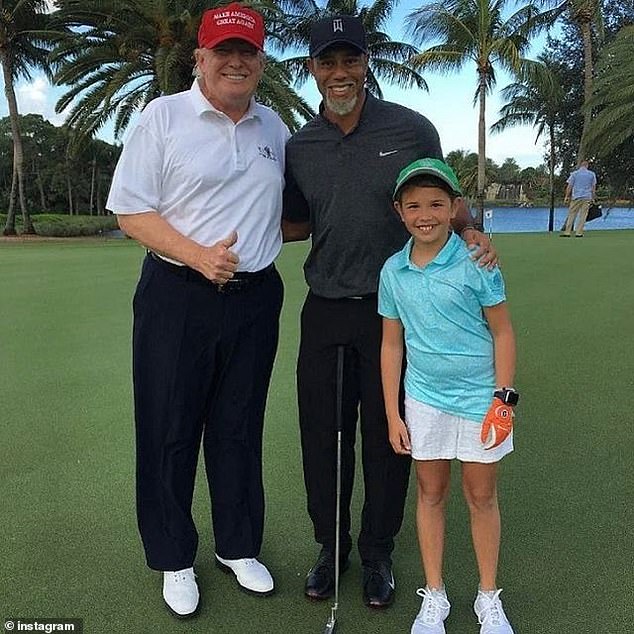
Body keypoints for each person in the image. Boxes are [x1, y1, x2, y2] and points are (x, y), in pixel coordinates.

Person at [282, 15, 497, 609]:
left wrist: (473, 232)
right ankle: (331, 548)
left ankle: (377, 551)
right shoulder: (301, 145)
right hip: (325, 308)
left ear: (366, 64)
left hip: (397, 315)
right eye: (328, 62)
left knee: (386, 438)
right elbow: (294, 221)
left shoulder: (410, 128)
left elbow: (442, 197)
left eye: (350, 60)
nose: (339, 73)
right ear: (313, 70)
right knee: (322, 436)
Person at [106, 3, 289, 618]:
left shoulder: (274, 130)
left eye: (247, 52)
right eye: (223, 51)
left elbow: (290, 213)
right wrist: (198, 255)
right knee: (168, 427)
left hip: (256, 299)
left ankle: (238, 547)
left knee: (239, 427)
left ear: (260, 62)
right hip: (177, 295)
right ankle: (174, 557)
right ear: (200, 58)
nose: (235, 61)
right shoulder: (162, 117)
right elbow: (131, 210)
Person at [379, 158, 517, 634]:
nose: (426, 214)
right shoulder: (393, 272)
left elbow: (502, 333)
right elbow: (391, 343)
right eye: (414, 204)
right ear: (399, 211)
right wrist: (392, 413)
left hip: (481, 399)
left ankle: (487, 598)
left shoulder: (477, 260)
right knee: (430, 493)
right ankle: (434, 596)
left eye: (437, 203)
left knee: (481, 496)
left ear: (455, 207)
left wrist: (504, 399)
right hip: (424, 400)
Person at [561, 159, 597, 237]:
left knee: (572, 214)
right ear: (587, 165)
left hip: (576, 196)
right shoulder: (592, 174)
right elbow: (593, 187)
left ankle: (567, 232)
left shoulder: (574, 174)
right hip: (587, 197)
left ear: (580, 165)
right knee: (583, 215)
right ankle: (579, 233)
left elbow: (569, 186)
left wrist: (567, 196)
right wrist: (593, 197)